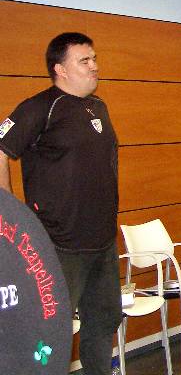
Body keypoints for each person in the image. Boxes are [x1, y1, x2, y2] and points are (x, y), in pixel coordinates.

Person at [0, 32, 122, 374]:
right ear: (60, 69)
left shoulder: (98, 107)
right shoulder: (40, 107)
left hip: (102, 242)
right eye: (84, 60)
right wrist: (9, 217)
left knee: (103, 324)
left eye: (94, 58)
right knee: (50, 331)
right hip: (58, 246)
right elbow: (1, 149)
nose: (94, 66)